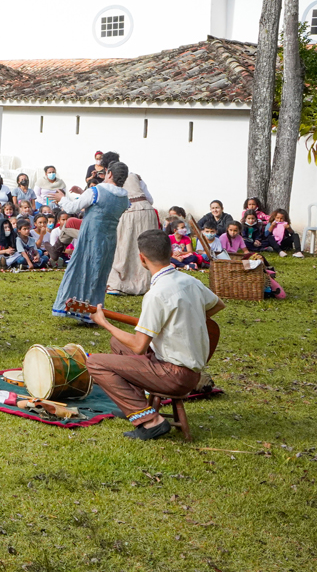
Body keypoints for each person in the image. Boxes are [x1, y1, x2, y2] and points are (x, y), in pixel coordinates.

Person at [85, 230, 224, 440]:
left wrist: (104, 323)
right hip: (189, 370)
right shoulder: (189, 281)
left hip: (174, 375)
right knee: (117, 343)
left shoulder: (156, 294)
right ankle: (136, 406)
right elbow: (217, 305)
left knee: (95, 362)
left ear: (141, 258)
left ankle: (151, 422)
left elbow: (139, 346)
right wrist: (185, 321)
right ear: (171, 252)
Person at [51, 161, 132, 321]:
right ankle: (92, 311)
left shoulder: (96, 191)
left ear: (109, 174)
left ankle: (71, 307)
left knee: (81, 270)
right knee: (99, 274)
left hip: (90, 237)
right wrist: (83, 192)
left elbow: (73, 208)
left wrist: (61, 199)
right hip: (108, 239)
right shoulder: (124, 198)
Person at [107, 154, 158, 296]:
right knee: (147, 246)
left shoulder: (110, 178)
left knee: (123, 247)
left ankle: (119, 285)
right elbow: (150, 199)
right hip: (147, 211)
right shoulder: (135, 176)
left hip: (127, 211)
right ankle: (148, 283)